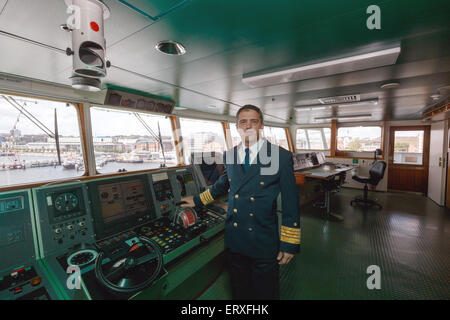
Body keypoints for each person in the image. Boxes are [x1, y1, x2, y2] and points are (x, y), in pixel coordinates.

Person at [181, 104, 300, 299]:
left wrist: (289, 243)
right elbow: (221, 185)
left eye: (253, 121)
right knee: (240, 291)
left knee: (265, 293)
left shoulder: (281, 156)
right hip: (236, 239)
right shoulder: (230, 155)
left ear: (261, 125)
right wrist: (196, 201)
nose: (248, 126)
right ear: (237, 126)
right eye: (243, 122)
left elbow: (290, 202)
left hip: (263, 239)